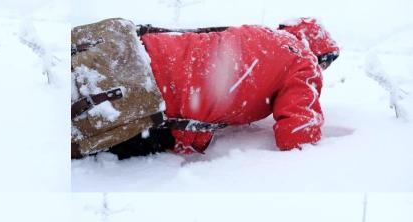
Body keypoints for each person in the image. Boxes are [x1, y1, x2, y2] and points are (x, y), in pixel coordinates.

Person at [107, 18, 340, 159]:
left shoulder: (258, 31)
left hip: (145, 51)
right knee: (89, 138)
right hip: (163, 104)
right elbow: (297, 135)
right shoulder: (304, 61)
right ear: (321, 56)